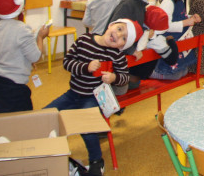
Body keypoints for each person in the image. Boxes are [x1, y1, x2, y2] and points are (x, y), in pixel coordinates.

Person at [45, 18, 142, 176]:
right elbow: (67, 62)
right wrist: (86, 67)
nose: (118, 35)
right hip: (73, 93)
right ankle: (53, 153)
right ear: (111, 25)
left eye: (123, 38)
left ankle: (96, 160)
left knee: (87, 128)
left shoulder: (115, 54)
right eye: (119, 29)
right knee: (46, 115)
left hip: (92, 98)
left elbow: (124, 76)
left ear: (122, 46)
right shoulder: (84, 39)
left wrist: (113, 78)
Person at [0, 0, 48, 113]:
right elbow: (36, 56)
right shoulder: (22, 29)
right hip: (15, 86)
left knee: (3, 118)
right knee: (22, 121)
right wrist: (40, 38)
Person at [105, 0, 158, 90]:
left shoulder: (138, 2)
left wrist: (146, 30)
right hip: (117, 51)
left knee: (154, 52)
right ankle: (125, 80)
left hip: (128, 48)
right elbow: (113, 32)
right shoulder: (128, 4)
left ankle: (131, 80)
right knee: (121, 91)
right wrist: (131, 50)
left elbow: (137, 24)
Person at [150, 0, 199, 79]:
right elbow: (164, 26)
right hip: (172, 42)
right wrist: (186, 23)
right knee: (175, 75)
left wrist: (191, 18)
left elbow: (179, 16)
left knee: (183, 72)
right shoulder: (168, 2)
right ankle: (156, 73)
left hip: (180, 42)